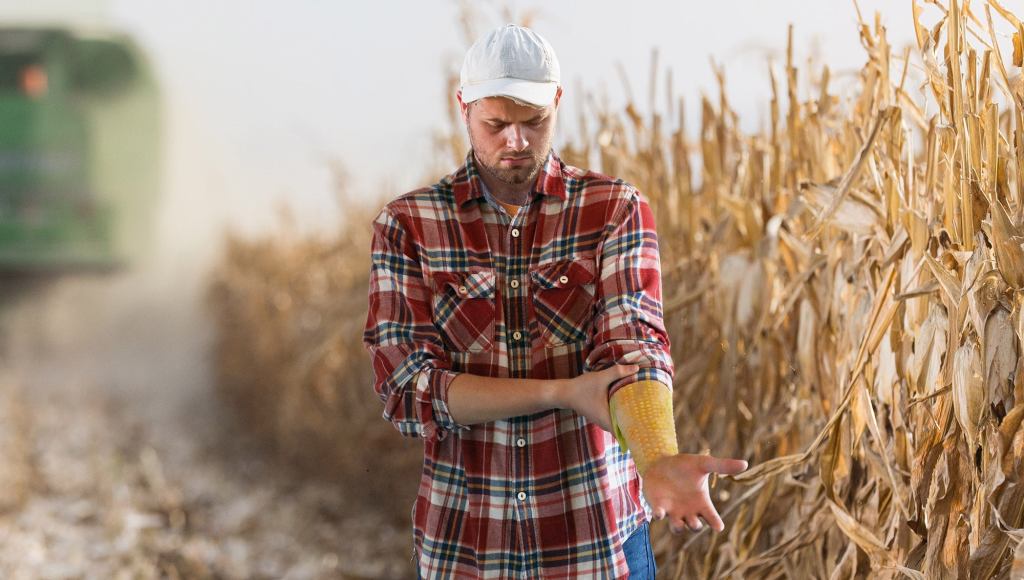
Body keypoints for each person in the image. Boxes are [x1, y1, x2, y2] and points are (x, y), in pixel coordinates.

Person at [364, 23, 748, 578]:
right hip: (467, 546)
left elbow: (634, 346)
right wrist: (564, 392)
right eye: (496, 124)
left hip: (597, 541)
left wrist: (658, 455)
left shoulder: (613, 210)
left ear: (558, 103)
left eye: (533, 122)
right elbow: (408, 391)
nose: (515, 142)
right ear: (463, 106)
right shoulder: (409, 226)